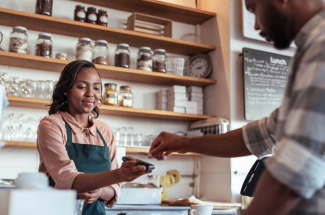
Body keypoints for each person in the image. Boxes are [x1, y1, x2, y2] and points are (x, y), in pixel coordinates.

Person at [148, 0, 325, 214]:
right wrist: (183, 143)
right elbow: (263, 134)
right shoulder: (310, 49)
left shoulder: (320, 49)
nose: (256, 25)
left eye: (253, 8)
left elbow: (292, 176)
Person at [37, 60, 151, 215]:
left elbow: (114, 189)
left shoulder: (104, 130)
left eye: (96, 88)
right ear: (66, 90)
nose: (90, 93)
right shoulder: (51, 125)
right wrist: (118, 175)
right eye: (81, 86)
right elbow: (65, 178)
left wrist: (100, 191)